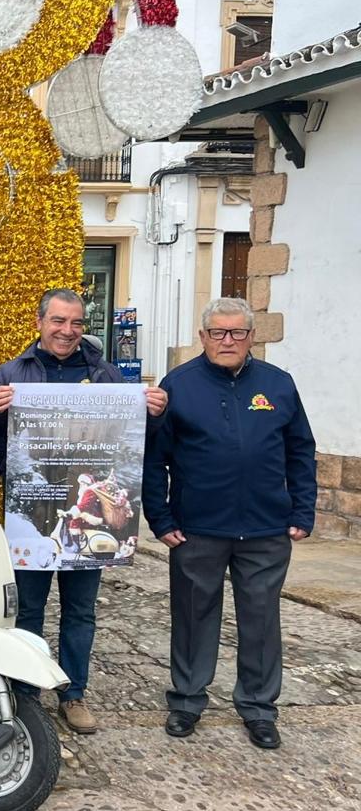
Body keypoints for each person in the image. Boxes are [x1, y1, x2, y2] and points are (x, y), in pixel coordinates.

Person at [0, 288, 168, 734]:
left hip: (91, 504)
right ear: (40, 322)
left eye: (76, 323)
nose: (67, 331)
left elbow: (137, 440)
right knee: (28, 611)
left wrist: (153, 414)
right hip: (32, 512)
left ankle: (74, 694)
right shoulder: (11, 373)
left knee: (81, 611)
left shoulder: (105, 375)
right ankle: (24, 692)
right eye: (59, 321)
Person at [143, 297, 315, 750]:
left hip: (265, 528)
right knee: (193, 617)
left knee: (260, 621)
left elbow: (300, 451)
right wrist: (159, 517)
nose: (227, 340)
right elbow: (153, 459)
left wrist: (302, 511)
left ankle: (259, 708)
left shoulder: (278, 386)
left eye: (237, 332)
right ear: (202, 337)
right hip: (197, 528)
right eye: (218, 332)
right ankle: (186, 700)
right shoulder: (178, 386)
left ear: (251, 337)